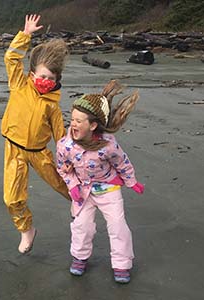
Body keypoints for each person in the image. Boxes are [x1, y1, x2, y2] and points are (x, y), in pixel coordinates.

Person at [56, 80, 143, 283]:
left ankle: (122, 264)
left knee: (117, 225)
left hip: (108, 188)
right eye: (72, 119)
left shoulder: (108, 145)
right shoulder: (65, 145)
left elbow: (122, 162)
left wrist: (132, 181)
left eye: (79, 121)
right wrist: (72, 185)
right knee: (82, 226)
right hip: (83, 191)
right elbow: (62, 168)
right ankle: (79, 257)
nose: (73, 124)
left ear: (93, 125)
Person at [2, 14, 71, 254]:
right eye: (42, 76)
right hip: (14, 149)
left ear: (56, 81)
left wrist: (71, 159)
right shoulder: (19, 84)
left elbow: (62, 138)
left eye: (50, 79)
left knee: (64, 184)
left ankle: (84, 205)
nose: (45, 81)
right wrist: (26, 35)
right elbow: (11, 58)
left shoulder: (52, 104)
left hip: (40, 153)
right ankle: (26, 230)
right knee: (12, 198)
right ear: (32, 75)